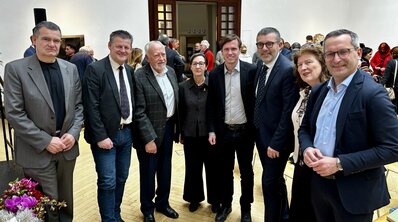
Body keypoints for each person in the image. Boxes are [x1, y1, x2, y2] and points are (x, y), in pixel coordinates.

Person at [299, 29, 398, 222]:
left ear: (358, 53)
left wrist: (339, 163)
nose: (336, 59)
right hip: (319, 185)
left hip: (354, 192)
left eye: (343, 52)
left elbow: (392, 148)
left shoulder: (372, 94)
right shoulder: (320, 91)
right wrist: (307, 147)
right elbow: (304, 129)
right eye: (330, 54)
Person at [4, 21, 84, 222]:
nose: (52, 44)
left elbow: (78, 108)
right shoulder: (16, 69)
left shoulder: (70, 69)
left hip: (66, 148)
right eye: (46, 39)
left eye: (56, 40)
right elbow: (14, 113)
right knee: (45, 204)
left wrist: (73, 134)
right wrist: (46, 141)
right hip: (36, 150)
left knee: (65, 202)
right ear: (34, 40)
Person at [82, 30, 135, 222]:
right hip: (105, 137)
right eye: (118, 46)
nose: (122, 50)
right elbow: (91, 106)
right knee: (107, 181)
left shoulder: (129, 70)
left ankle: (116, 214)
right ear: (109, 46)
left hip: (126, 134)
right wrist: (101, 137)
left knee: (121, 179)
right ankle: (108, 219)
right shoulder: (96, 69)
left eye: (126, 47)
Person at [207, 34, 256, 222]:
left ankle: (246, 208)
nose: (230, 52)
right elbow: (211, 105)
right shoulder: (214, 74)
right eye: (226, 49)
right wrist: (212, 129)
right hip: (223, 131)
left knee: (246, 172)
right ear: (221, 51)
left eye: (233, 49)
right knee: (224, 172)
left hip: (245, 132)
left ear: (239, 49)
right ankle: (226, 205)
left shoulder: (251, 71)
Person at [253, 27, 299, 222]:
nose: (264, 48)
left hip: (275, 142)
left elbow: (287, 113)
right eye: (260, 44)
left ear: (280, 44)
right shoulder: (261, 67)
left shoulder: (287, 70)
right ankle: (284, 215)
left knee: (269, 184)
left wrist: (276, 144)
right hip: (262, 137)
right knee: (276, 181)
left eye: (269, 44)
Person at [134, 40, 179, 222]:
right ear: (147, 57)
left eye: (163, 54)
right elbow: (139, 111)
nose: (161, 58)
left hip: (168, 129)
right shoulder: (140, 76)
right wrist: (148, 139)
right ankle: (147, 208)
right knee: (148, 172)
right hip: (149, 133)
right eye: (156, 55)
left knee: (165, 169)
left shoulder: (172, 72)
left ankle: (163, 203)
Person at [289, 47, 330, 222]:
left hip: (321, 165)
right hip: (301, 160)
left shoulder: (331, 92)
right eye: (300, 64)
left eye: (309, 62)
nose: (304, 67)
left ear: (322, 63)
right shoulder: (304, 92)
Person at [179, 53, 217, 213]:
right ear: (190, 66)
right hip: (190, 134)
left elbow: (216, 110)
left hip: (210, 135)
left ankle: (215, 200)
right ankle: (194, 199)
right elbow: (180, 111)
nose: (198, 66)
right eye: (195, 63)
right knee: (193, 169)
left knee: (213, 168)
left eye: (201, 63)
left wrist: (213, 130)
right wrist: (180, 132)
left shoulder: (213, 85)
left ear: (206, 66)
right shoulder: (183, 87)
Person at [381, 46, 398, 113]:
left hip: (393, 91)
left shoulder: (391, 62)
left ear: (392, 54)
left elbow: (385, 78)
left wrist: (378, 87)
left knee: (392, 110)